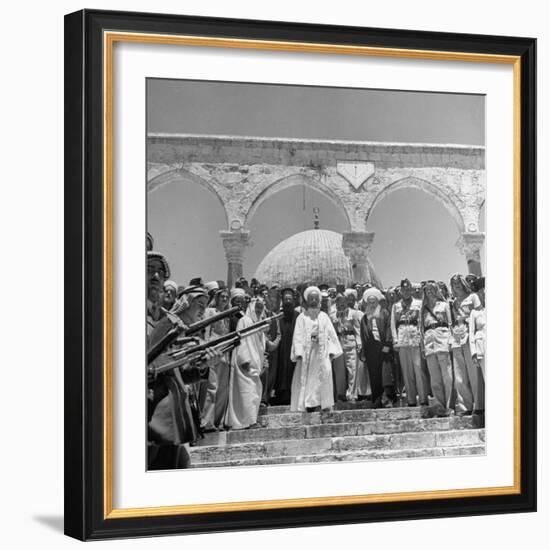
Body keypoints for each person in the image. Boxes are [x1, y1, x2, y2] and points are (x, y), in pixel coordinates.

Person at [290, 286, 342, 412]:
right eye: (311, 298)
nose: (313, 300)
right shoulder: (301, 317)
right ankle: (309, 404)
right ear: (307, 300)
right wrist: (299, 352)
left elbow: (331, 335)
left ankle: (322, 404)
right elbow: (297, 336)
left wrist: (331, 351)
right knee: (308, 380)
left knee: (323, 377)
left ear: (319, 300)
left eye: (315, 298)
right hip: (307, 354)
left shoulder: (324, 316)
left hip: (322, 352)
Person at [226, 296, 267, 429]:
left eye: (261, 307)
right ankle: (249, 422)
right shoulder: (245, 320)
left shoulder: (259, 323)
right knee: (247, 392)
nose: (259, 310)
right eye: (257, 307)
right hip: (245, 363)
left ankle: (250, 420)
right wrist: (245, 360)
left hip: (255, 364)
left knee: (254, 393)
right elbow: (242, 341)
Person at [391, 279, 428, 407]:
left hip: (415, 338)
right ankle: (411, 400)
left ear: (411, 290)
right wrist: (395, 340)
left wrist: (422, 338)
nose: (406, 291)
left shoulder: (419, 303)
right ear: (401, 291)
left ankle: (423, 399)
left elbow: (421, 322)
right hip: (402, 340)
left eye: (408, 289)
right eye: (404, 289)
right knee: (406, 372)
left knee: (419, 370)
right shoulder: (396, 306)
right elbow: (393, 324)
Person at [450, 273, 482, 416]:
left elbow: (480, 316)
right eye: (453, 284)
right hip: (457, 337)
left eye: (458, 283)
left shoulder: (473, 297)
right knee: (459, 374)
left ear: (463, 283)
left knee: (474, 372)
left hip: (470, 335)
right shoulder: (452, 302)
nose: (456, 286)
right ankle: (465, 406)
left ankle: (480, 405)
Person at [420, 281, 454, 416]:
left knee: (447, 376)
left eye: (432, 289)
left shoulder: (445, 305)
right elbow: (421, 329)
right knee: (435, 379)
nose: (429, 292)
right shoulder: (423, 309)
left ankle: (450, 405)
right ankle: (440, 406)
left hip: (442, 339)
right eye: (427, 290)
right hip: (429, 343)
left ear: (436, 290)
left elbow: (450, 323)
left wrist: (450, 340)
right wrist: (423, 347)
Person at [200, 288, 231, 432]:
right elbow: (206, 331)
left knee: (222, 391)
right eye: (222, 297)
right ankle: (207, 421)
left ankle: (217, 421)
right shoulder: (210, 312)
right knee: (212, 388)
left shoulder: (227, 316)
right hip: (212, 352)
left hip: (224, 355)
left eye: (226, 297)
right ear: (217, 298)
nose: (224, 299)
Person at [360, 288, 393, 407]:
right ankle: (377, 399)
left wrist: (387, 345)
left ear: (378, 302)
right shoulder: (364, 318)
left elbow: (389, 329)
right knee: (374, 374)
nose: (372, 304)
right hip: (371, 349)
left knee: (385, 373)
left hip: (383, 346)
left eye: (374, 302)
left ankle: (387, 398)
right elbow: (363, 335)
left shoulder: (384, 313)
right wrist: (364, 350)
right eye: (370, 302)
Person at [333, 293, 366, 400]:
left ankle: (352, 393)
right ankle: (341, 393)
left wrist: (359, 344)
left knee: (352, 369)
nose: (341, 305)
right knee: (339, 371)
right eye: (339, 302)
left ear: (346, 302)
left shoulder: (354, 314)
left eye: (343, 302)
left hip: (351, 343)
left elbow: (357, 330)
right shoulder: (333, 315)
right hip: (338, 344)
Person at [273, 288, 300, 405]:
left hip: (296, 349)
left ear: (293, 301)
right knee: (282, 371)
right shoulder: (278, 318)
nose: (288, 301)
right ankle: (282, 395)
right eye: (285, 299)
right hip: (282, 351)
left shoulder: (299, 316)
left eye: (290, 299)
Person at [469, 278, 486, 427]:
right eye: (481, 291)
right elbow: (471, 333)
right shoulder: (475, 312)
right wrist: (473, 352)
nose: (484, 293)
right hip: (482, 349)